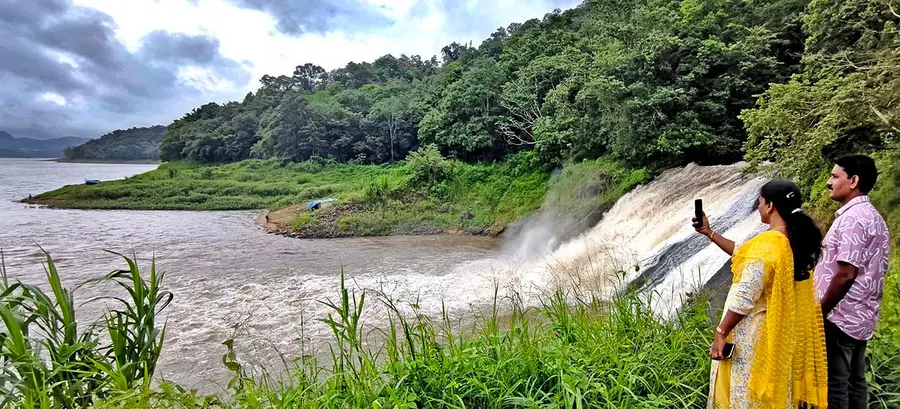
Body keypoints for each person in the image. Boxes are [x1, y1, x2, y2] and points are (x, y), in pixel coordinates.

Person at [694, 180, 829, 408]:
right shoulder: (792, 241)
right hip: (780, 335)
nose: (758, 208)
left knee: (747, 395)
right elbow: (743, 253)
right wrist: (709, 233)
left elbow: (745, 296)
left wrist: (721, 332)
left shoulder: (769, 244)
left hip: (754, 337)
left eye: (759, 203)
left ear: (770, 206)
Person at [814, 155, 891, 409]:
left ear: (853, 181)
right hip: (860, 315)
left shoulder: (853, 219)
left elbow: (846, 272)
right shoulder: (874, 217)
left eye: (835, 176)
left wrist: (820, 311)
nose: (829, 182)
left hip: (840, 316)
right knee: (855, 381)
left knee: (836, 384)